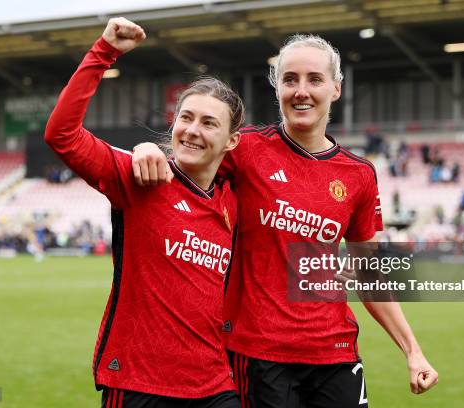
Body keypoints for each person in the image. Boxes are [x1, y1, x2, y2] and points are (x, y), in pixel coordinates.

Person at [132, 34, 438, 407]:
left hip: (335, 352)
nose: (301, 91)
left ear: (336, 89)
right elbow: (185, 161)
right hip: (258, 355)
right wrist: (147, 149)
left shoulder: (359, 174)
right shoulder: (244, 149)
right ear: (277, 87)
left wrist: (412, 350)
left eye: (315, 79)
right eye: (290, 79)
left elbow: (368, 273)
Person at [45, 18, 244, 408]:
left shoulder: (236, 201)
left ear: (232, 140)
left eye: (208, 123)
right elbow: (61, 136)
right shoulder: (141, 177)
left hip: (216, 386)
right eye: (185, 118)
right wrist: (103, 51)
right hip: (140, 384)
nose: (192, 130)